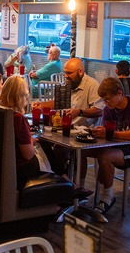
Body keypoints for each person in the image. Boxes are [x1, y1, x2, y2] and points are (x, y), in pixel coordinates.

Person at [89, 77, 130, 214]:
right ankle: (77, 191)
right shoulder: (108, 109)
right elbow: (108, 136)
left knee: (105, 157)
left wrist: (110, 133)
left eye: (108, 99)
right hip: (121, 146)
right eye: (103, 100)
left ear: (119, 93)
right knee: (81, 152)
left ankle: (107, 196)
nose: (106, 103)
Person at [38, 57, 103, 191]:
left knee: (60, 150)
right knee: (42, 142)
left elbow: (99, 111)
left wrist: (79, 112)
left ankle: (75, 187)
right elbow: (58, 102)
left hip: (85, 132)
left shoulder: (92, 85)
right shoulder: (69, 84)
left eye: (69, 73)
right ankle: (58, 184)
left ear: (80, 71)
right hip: (66, 128)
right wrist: (41, 105)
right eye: (65, 73)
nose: (66, 77)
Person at [0, 76, 40, 189]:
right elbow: (28, 155)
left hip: (0, 161)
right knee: (47, 152)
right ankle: (66, 187)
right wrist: (31, 140)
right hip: (20, 166)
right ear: (22, 96)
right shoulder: (18, 118)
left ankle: (67, 182)